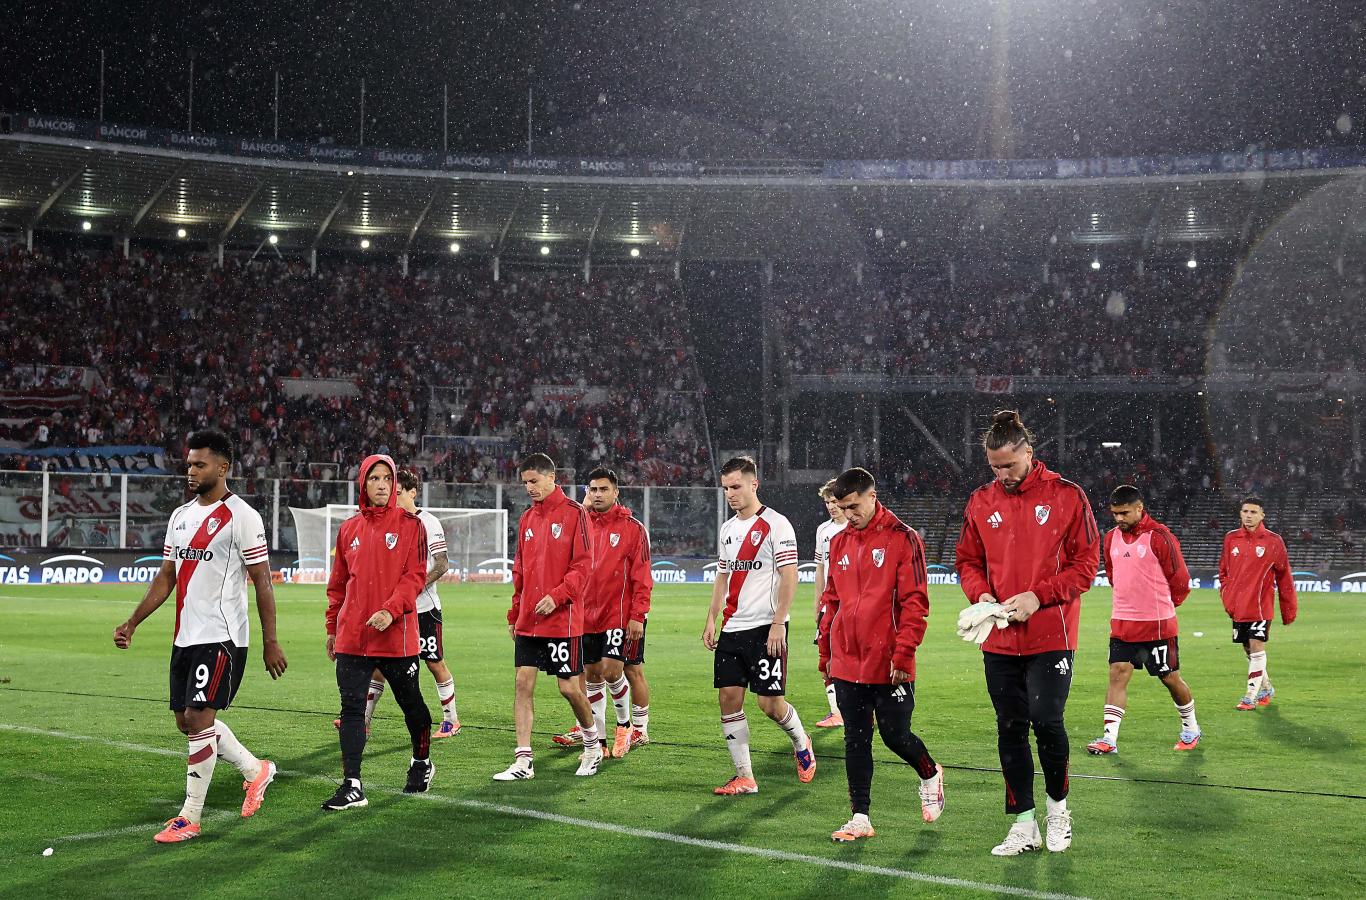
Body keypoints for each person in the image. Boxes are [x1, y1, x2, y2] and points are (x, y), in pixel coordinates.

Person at [112, 428, 287, 843]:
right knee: (186, 723)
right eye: (189, 463)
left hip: (223, 636)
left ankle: (189, 817)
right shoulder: (180, 516)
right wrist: (133, 622)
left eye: (199, 464)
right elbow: (166, 577)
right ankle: (255, 770)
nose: (190, 470)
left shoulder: (242, 516)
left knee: (198, 719)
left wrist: (270, 641)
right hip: (185, 636)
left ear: (222, 468)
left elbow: (263, 581)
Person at [955, 410, 1099, 856]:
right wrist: (981, 595)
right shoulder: (981, 501)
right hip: (999, 637)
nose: (1003, 475)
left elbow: (1086, 565)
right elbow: (967, 561)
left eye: (1009, 465)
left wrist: (1039, 596)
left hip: (1051, 635)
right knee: (1010, 727)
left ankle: (1058, 811)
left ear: (1029, 453)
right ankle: (1023, 824)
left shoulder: (1067, 495)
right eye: (994, 467)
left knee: (1047, 721)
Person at [818, 468, 943, 842]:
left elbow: (915, 603)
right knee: (855, 739)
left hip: (888, 662)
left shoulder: (903, 538)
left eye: (853, 506)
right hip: (847, 661)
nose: (848, 515)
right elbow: (831, 602)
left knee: (895, 736)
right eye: (842, 508)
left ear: (872, 497)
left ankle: (930, 773)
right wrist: (826, 654)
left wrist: (903, 655)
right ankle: (860, 817)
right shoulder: (839, 542)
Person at [322, 453, 434, 810]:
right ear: (364, 485)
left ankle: (421, 761)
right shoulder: (348, 530)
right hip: (353, 636)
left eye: (387, 478)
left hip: (396, 635)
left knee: (411, 703)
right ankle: (352, 785)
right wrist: (332, 628)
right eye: (374, 478)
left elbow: (415, 576)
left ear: (395, 483)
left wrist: (391, 610)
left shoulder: (412, 526)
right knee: (351, 710)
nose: (382, 484)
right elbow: (338, 585)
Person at [703, 455, 815, 795]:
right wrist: (711, 619)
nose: (730, 494)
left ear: (754, 484)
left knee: (770, 705)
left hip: (766, 628)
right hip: (732, 628)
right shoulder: (727, 529)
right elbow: (722, 577)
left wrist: (779, 621)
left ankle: (801, 741)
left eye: (736, 487)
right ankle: (745, 777)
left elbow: (790, 575)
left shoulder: (776, 524)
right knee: (728, 699)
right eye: (725, 489)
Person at [332, 469, 460, 737]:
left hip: (423, 609)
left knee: (434, 662)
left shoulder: (427, 522)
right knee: (378, 667)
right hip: (391, 612)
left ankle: (451, 720)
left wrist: (411, 589)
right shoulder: (388, 522)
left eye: (398, 492)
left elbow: (442, 564)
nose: (392, 495)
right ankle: (363, 721)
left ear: (412, 493)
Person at [496, 453, 600, 780]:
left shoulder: (575, 514)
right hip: (529, 620)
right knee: (522, 683)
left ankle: (592, 745)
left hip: (562, 619)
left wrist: (556, 596)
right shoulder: (527, 518)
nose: (529, 487)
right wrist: (515, 612)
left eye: (534, 481)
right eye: (525, 482)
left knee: (569, 688)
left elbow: (583, 566)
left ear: (552, 478)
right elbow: (520, 570)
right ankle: (523, 760)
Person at [1088, 485, 1201, 755]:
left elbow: (1180, 580)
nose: (1119, 518)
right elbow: (1114, 575)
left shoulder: (1160, 537)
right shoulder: (1111, 538)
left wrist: (1163, 607)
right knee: (1117, 674)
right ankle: (1109, 739)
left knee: (1170, 678)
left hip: (1157, 626)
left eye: (1124, 513)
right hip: (1122, 623)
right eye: (1115, 513)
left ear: (1139, 508)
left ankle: (1191, 728)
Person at [552, 467, 653, 758]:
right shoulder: (581, 523)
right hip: (586, 616)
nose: (597, 494)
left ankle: (634, 728)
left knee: (623, 670)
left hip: (619, 615)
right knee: (591, 674)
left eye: (604, 489)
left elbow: (642, 576)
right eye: (593, 489)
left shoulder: (632, 528)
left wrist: (638, 615)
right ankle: (596, 737)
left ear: (616, 492)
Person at [1217, 495, 1297, 710]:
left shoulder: (1273, 541)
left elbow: (1284, 577)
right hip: (1238, 606)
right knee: (1248, 649)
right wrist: (1227, 595)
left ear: (1262, 515)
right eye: (1245, 511)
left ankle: (1249, 697)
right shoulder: (1231, 538)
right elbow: (1224, 571)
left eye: (1253, 512)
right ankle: (1266, 687)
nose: (1248, 516)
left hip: (1261, 606)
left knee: (1256, 645)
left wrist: (1288, 610)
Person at [812, 479, 848, 728]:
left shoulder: (854, 528)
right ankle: (836, 711)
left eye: (835, 501)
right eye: (827, 502)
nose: (831, 507)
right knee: (826, 656)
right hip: (829, 605)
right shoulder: (823, 531)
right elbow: (820, 568)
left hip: (850, 604)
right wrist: (818, 603)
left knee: (853, 656)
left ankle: (864, 709)